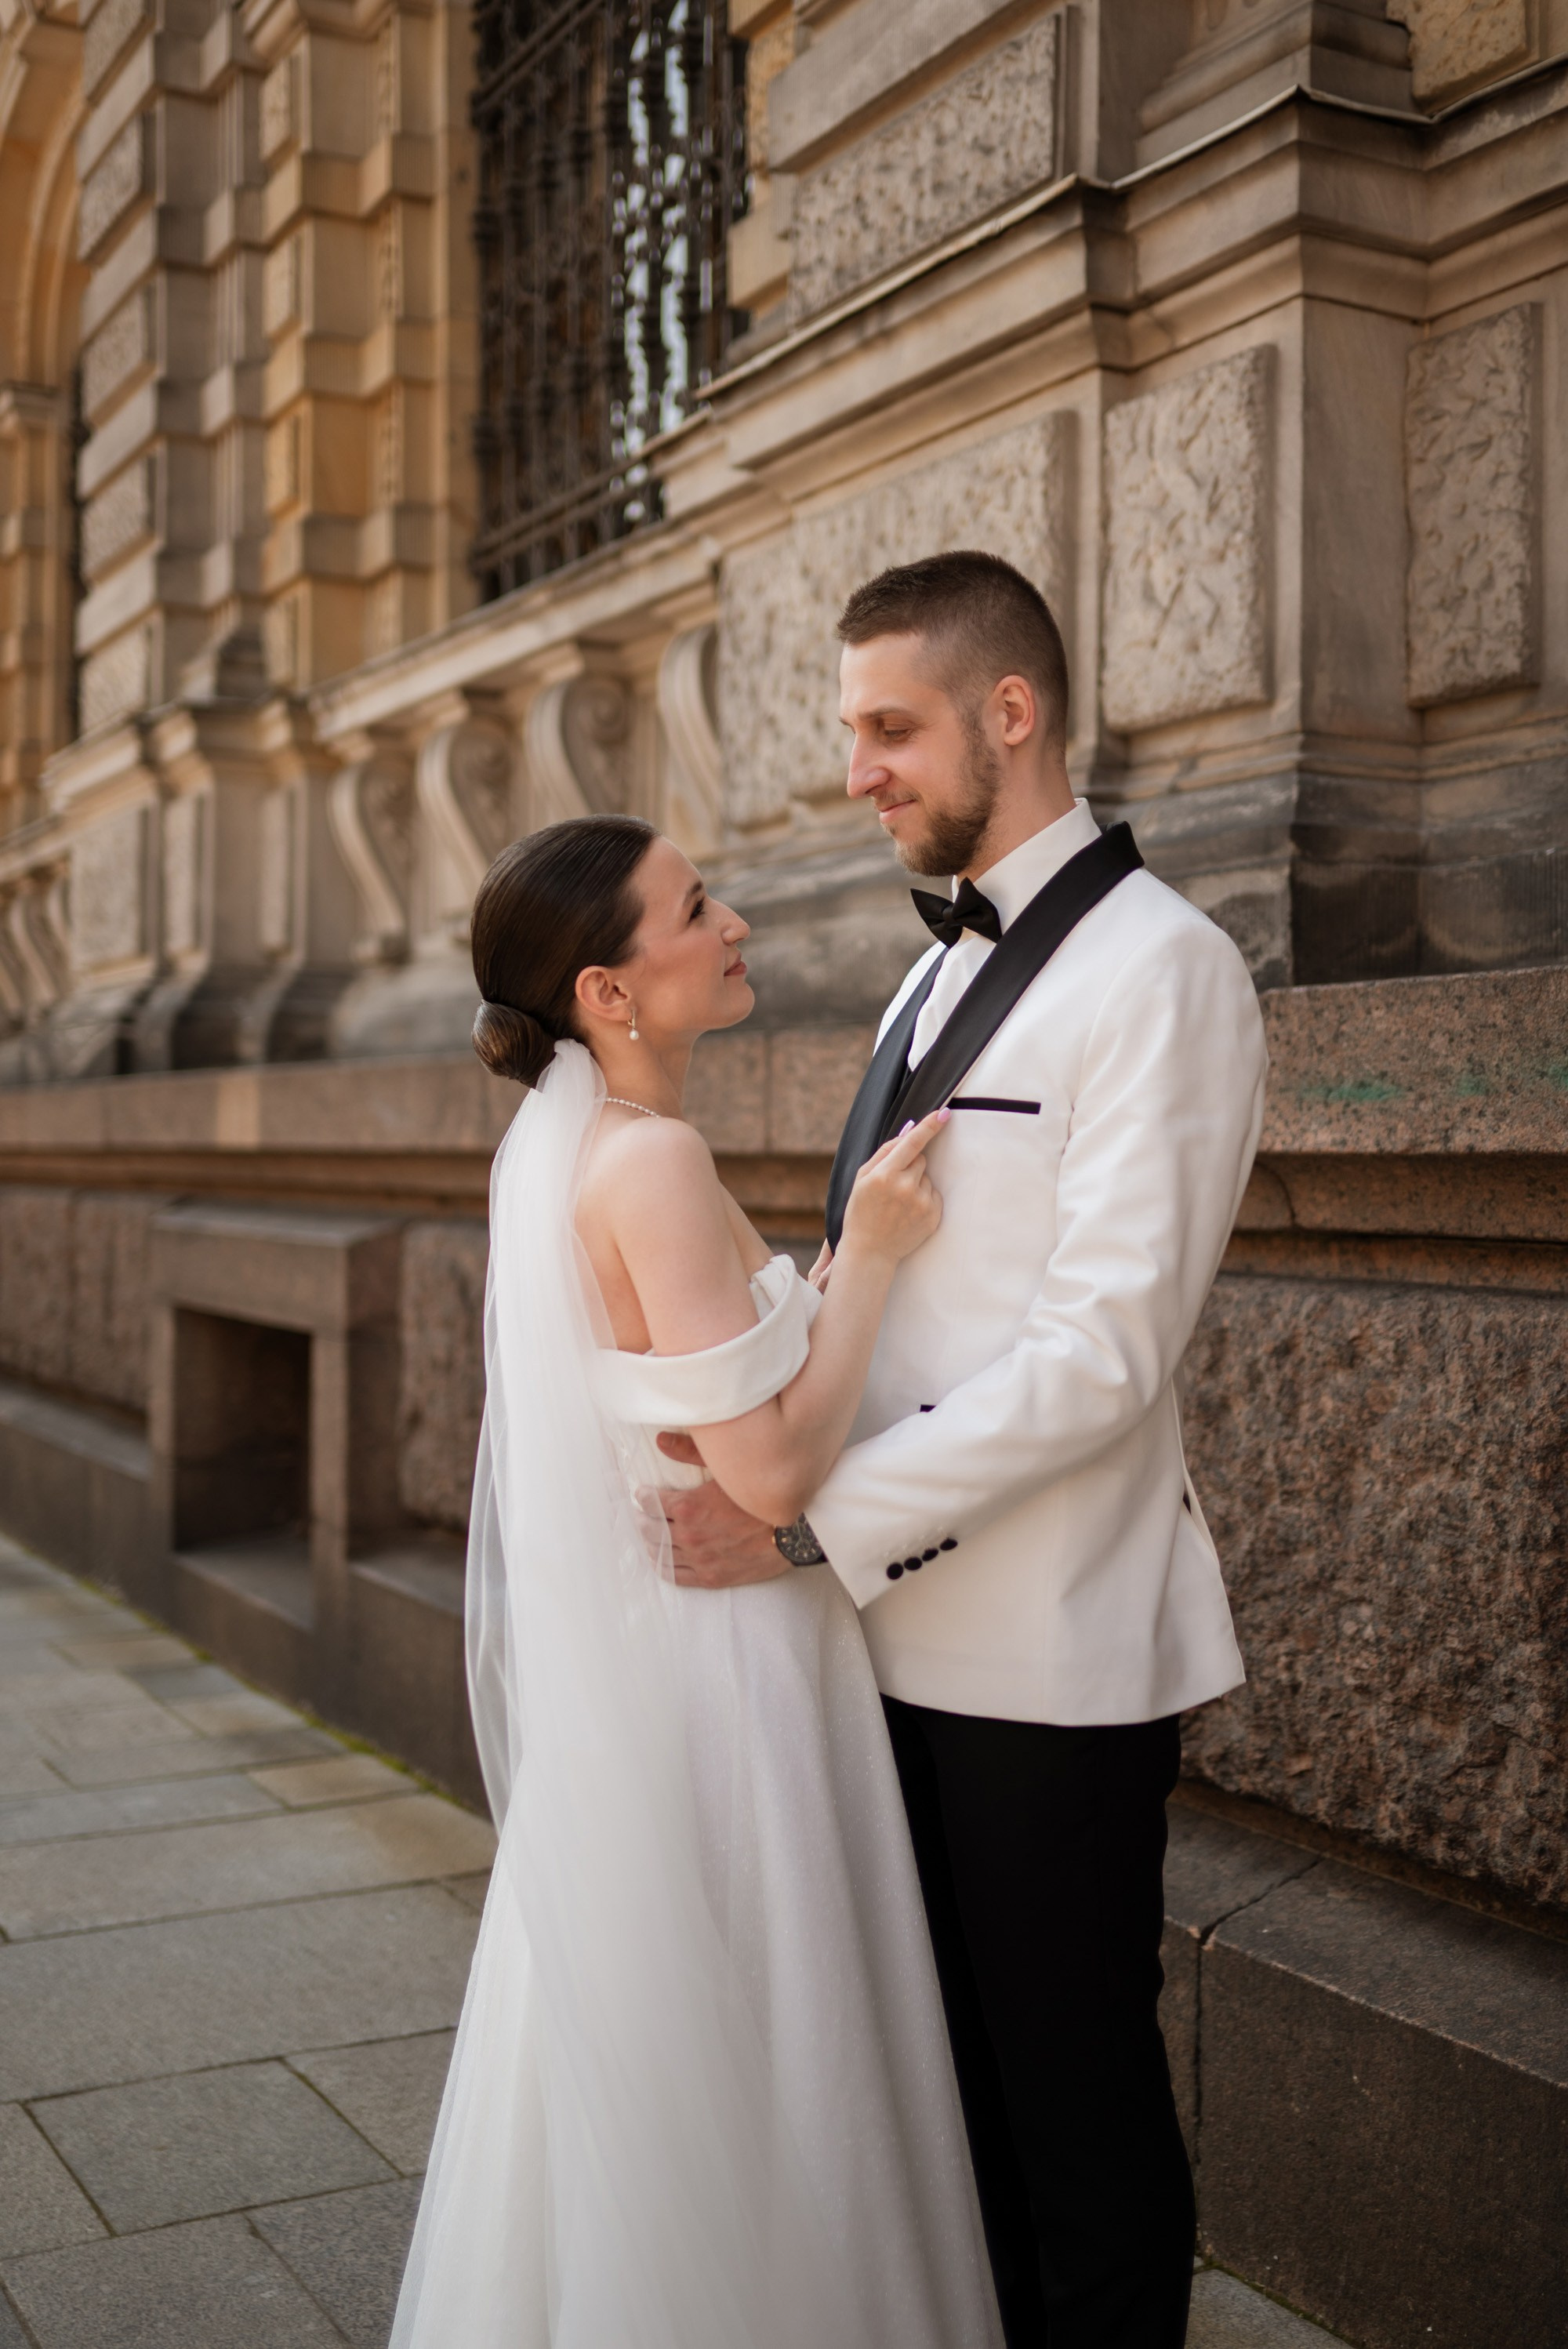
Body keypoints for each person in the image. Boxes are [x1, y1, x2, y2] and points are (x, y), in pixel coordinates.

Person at [652, 551, 1269, 2348]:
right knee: (952, 2132)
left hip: (1044, 1663)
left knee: (1076, 2135)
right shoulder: (925, 984)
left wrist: (802, 1525)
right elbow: (878, 1285)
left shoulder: (1169, 971)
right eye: (852, 731)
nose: (857, 771)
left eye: (889, 729)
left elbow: (1100, 1358)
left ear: (1012, 711)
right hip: (876, 1652)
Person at [390, 813, 1004, 2349]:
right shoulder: (650, 1162)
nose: (733, 924)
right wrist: (874, 1253)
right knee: (784, 2049)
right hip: (732, 1670)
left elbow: (725, 1389)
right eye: (695, 906)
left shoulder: (588, 1149)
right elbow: (771, 1473)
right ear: (608, 991)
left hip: (671, 1652)